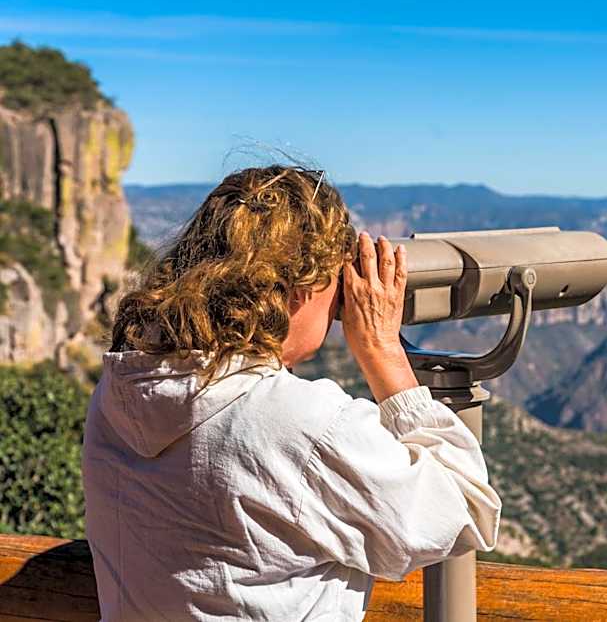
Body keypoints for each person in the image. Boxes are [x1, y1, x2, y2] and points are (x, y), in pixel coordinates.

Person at [82, 165, 501, 621]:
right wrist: (382, 348)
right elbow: (463, 509)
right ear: (301, 291)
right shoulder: (299, 424)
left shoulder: (122, 391)